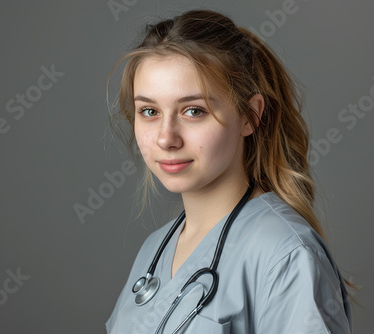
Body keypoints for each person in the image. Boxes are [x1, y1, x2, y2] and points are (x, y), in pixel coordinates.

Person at [105, 9, 353, 334]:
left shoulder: (286, 255)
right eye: (149, 111)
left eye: (194, 111)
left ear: (250, 116)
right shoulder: (154, 250)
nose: (166, 137)